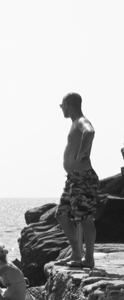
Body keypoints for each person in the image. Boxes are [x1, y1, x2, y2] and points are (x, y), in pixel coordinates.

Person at [55, 92, 98, 269]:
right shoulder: (74, 123)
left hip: (83, 179)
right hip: (73, 179)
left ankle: (88, 258)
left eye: (61, 105)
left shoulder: (81, 121)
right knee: (61, 214)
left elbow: (90, 132)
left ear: (67, 105)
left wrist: (83, 153)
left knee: (84, 218)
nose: (61, 109)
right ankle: (76, 252)